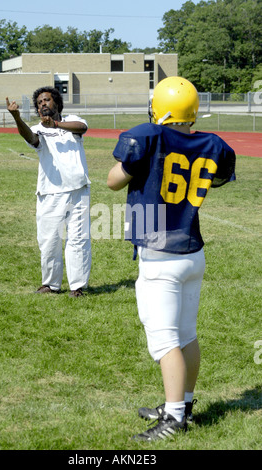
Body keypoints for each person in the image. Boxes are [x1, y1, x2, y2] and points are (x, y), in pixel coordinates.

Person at [107, 76, 236, 441]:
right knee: (186, 335)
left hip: (160, 254)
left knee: (165, 341)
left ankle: (174, 417)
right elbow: (221, 173)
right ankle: (185, 404)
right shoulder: (211, 143)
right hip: (192, 250)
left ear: (158, 108)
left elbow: (113, 181)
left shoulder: (148, 137)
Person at [6, 86, 91, 297]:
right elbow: (30, 138)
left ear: (56, 103)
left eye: (47, 100)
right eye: (39, 103)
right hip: (49, 193)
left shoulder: (72, 120)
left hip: (78, 191)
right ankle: (50, 285)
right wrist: (17, 117)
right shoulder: (38, 129)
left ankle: (77, 287)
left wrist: (56, 124)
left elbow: (82, 127)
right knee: (49, 241)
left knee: (78, 241)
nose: (43, 104)